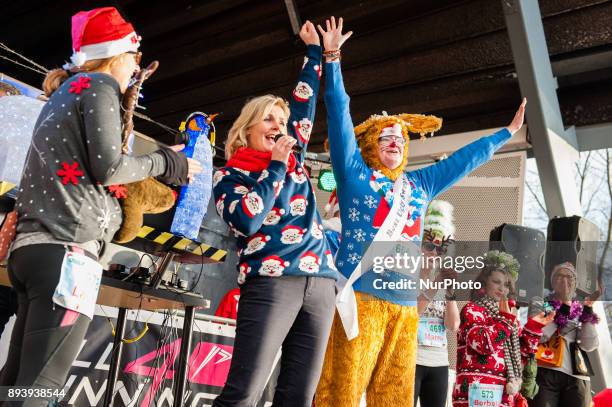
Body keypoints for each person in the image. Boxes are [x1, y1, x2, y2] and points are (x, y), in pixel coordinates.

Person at [315, 16, 527, 407]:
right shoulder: (353, 174)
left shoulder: (420, 185)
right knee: (339, 395)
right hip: (358, 299)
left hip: (403, 309)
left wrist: (505, 134)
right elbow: (339, 114)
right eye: (386, 137)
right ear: (370, 145)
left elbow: (464, 160)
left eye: (400, 138)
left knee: (394, 399)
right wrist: (332, 58)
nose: (394, 141)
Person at [0, 7, 200, 403]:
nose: (135, 68)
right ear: (118, 55)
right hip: (68, 255)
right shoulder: (99, 86)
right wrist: (166, 162)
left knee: (17, 382)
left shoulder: (64, 95)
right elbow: (109, 167)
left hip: (34, 252)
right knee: (39, 387)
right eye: (134, 58)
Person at [211, 21, 337, 407]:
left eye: (281, 122)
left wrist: (318, 52)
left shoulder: (293, 152)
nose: (278, 127)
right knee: (244, 393)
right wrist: (276, 168)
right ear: (246, 129)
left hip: (320, 281)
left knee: (299, 395)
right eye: (268, 119)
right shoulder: (229, 174)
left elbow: (304, 100)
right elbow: (246, 219)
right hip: (271, 280)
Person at [452, 251, 554, 407]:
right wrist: (505, 320)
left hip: (503, 396)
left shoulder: (508, 318)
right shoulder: (472, 310)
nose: (502, 289)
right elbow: (483, 343)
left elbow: (522, 355)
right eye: (496, 282)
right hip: (475, 395)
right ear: (484, 283)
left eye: (506, 284)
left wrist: (533, 327)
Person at [531, 262, 602, 407]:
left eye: (569, 277)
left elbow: (590, 345)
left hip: (577, 375)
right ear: (552, 281)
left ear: (575, 283)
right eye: (559, 276)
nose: (564, 280)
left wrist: (588, 309)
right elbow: (538, 335)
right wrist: (563, 310)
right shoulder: (541, 302)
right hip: (546, 372)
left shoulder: (582, 307)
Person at [414, 200, 460, 407]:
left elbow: (453, 326)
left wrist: (450, 293)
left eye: (439, 248)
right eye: (428, 246)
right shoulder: (407, 275)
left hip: (439, 361)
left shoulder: (442, 279)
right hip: (412, 358)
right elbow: (412, 313)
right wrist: (434, 286)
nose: (433, 252)